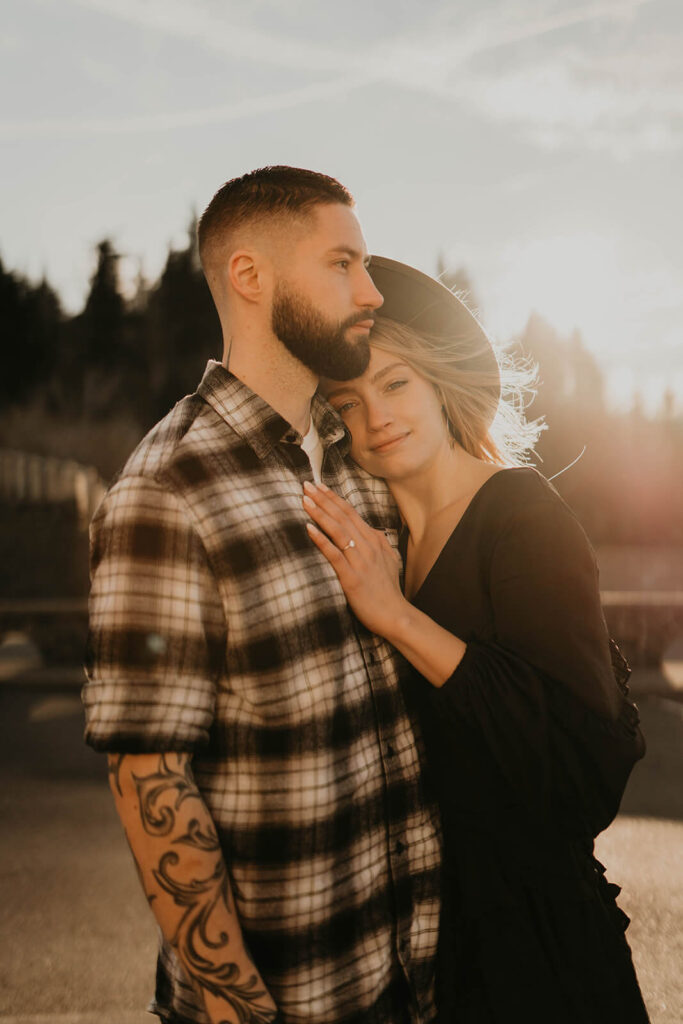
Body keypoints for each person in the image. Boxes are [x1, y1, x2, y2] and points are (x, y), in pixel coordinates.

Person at [82, 173, 442, 1024]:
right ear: (251, 277)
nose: (372, 291)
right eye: (343, 263)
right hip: (286, 1002)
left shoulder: (359, 461)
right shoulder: (167, 491)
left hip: (410, 981)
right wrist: (237, 1009)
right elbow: (149, 777)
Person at [303, 256, 650, 1023]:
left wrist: (397, 617)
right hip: (415, 944)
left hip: (535, 948)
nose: (374, 419)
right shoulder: (375, 535)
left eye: (394, 385)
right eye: (347, 404)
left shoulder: (523, 516)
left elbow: (579, 772)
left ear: (437, 381)